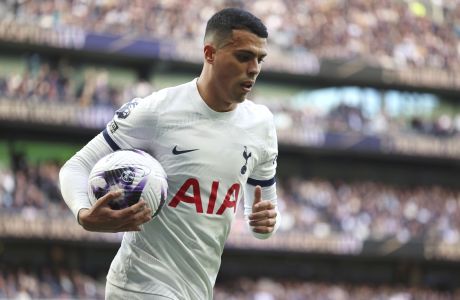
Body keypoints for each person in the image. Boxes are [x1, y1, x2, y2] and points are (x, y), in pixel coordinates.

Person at [59, 7, 280, 300]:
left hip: (197, 290)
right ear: (210, 53)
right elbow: (76, 167)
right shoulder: (158, 111)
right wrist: (83, 214)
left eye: (259, 59)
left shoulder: (261, 125)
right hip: (139, 285)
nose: (254, 68)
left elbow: (262, 223)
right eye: (243, 56)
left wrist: (265, 222)